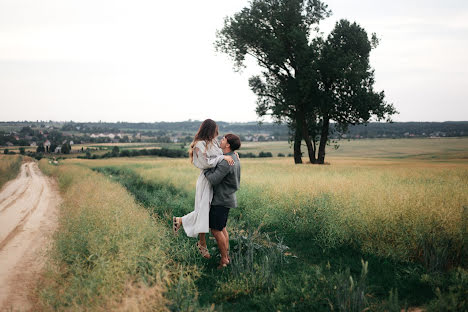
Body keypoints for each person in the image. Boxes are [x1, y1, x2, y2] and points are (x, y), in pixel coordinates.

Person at [172, 119, 235, 259]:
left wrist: (231, 155)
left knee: (205, 210)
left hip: (214, 181)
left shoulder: (214, 142)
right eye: (215, 130)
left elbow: (222, 155)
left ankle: (180, 221)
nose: (217, 133)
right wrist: (222, 158)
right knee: (203, 210)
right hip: (206, 180)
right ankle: (202, 243)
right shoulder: (199, 145)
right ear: (209, 129)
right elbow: (205, 163)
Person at [204, 133, 241, 269]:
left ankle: (224, 260)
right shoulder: (233, 157)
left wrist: (205, 170)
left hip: (221, 199)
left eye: (223, 139)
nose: (221, 140)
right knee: (222, 228)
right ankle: (227, 256)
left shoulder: (227, 161)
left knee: (216, 230)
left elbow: (213, 179)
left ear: (228, 145)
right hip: (227, 198)